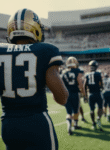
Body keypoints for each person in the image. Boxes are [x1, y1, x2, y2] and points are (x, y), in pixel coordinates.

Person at [0, 9, 69, 150]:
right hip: (37, 123)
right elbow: (62, 98)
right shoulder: (46, 51)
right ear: (35, 28)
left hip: (8, 125)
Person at [61, 56, 86, 135]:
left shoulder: (63, 72)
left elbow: (61, 85)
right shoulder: (77, 71)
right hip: (75, 93)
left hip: (66, 94)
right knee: (76, 110)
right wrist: (84, 94)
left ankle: (69, 126)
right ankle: (75, 125)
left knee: (69, 113)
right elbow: (80, 84)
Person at [84, 60, 104, 131]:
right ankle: (98, 118)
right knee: (100, 108)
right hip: (98, 93)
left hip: (90, 94)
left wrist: (85, 95)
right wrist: (101, 88)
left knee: (92, 110)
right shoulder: (98, 74)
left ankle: (93, 123)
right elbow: (101, 84)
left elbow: (85, 85)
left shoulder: (87, 75)